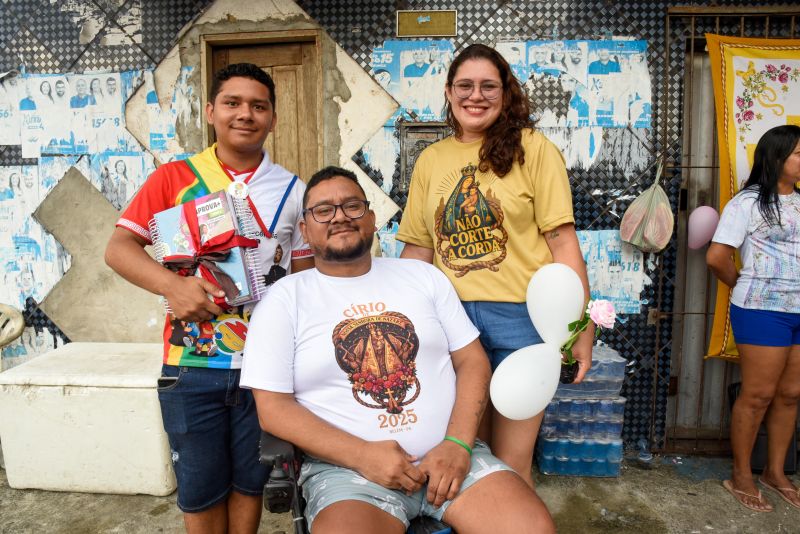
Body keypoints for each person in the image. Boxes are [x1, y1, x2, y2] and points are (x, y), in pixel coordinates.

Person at [241, 166, 555, 534]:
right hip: (348, 473)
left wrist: (458, 444)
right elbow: (273, 409)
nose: (339, 216)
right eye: (323, 210)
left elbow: (472, 361)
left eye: (352, 206)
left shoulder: (422, 277)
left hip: (451, 459)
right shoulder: (284, 299)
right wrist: (362, 455)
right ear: (305, 230)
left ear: (372, 218)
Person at [105, 62, 314, 534]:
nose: (245, 114)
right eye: (232, 103)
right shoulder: (173, 178)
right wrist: (172, 285)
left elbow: (304, 281)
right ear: (210, 111)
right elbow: (118, 248)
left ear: (273, 118)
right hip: (190, 366)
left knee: (250, 485)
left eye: (258, 106)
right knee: (200, 490)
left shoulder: (293, 190)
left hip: (265, 370)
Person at [397, 44, 593, 488]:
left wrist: (580, 326)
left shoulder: (534, 150)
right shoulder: (431, 160)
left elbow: (562, 242)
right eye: (465, 85)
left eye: (489, 86)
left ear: (505, 93)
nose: (476, 96)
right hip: (451, 323)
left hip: (522, 321)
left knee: (511, 463)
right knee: (466, 458)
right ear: (449, 92)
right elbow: (418, 250)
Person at [707, 124, 800, 513]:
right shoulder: (746, 203)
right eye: (798, 153)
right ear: (776, 157)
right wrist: (743, 284)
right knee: (758, 395)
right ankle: (741, 475)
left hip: (798, 311)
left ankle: (775, 473)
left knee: (791, 394)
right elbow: (717, 257)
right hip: (762, 309)